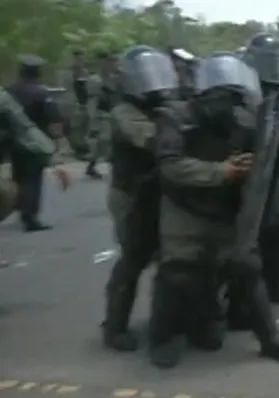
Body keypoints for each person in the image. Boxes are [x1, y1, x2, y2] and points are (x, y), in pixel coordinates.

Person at [151, 52, 279, 369]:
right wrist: (222, 171)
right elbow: (170, 166)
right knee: (178, 273)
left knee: (247, 267)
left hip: (225, 206)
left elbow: (266, 146)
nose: (229, 107)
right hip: (184, 205)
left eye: (234, 98)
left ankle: (269, 338)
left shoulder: (242, 118)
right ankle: (164, 338)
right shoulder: (174, 117)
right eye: (223, 98)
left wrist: (262, 152)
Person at [101, 46, 181, 353]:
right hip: (130, 194)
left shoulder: (162, 106)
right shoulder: (124, 112)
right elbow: (151, 139)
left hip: (156, 189)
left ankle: (168, 321)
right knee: (133, 257)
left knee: (167, 255)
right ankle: (115, 325)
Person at [238, 32, 279, 308]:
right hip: (243, 170)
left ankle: (274, 285)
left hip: (274, 170)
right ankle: (238, 299)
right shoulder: (239, 89)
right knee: (241, 238)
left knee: (277, 228)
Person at [6, 55, 71, 232]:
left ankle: (18, 208)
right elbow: (54, 118)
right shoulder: (41, 92)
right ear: (37, 72)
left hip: (13, 140)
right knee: (32, 178)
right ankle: (29, 216)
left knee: (18, 175)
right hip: (36, 140)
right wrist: (59, 142)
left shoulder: (10, 90)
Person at [0, 86, 59, 225]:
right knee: (22, 183)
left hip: (9, 144)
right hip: (16, 143)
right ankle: (28, 215)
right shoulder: (0, 96)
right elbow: (23, 125)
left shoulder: (7, 92)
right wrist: (48, 152)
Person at [86, 51, 118, 179]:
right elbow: (92, 101)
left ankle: (92, 166)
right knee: (104, 141)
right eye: (109, 62)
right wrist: (93, 119)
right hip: (100, 114)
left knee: (106, 143)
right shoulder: (95, 80)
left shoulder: (112, 78)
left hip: (110, 113)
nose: (111, 65)